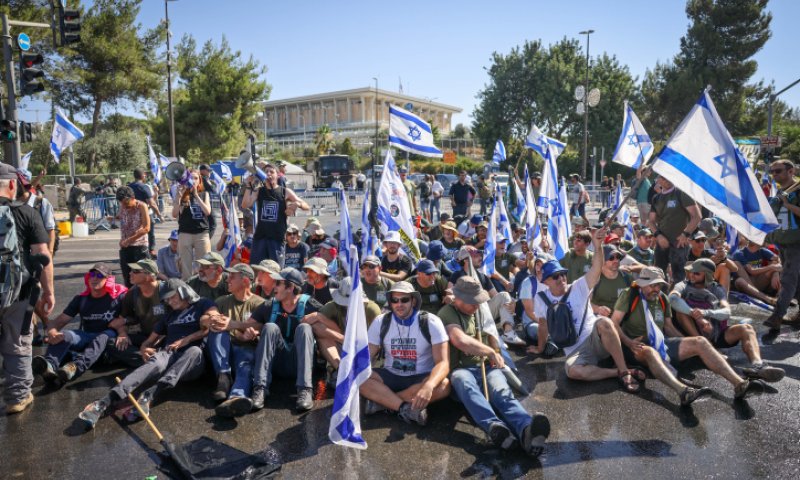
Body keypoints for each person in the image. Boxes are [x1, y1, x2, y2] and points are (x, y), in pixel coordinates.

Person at [78, 279, 216, 428]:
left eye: (172, 296)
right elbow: (148, 342)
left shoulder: (203, 304)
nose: (169, 301)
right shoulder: (169, 316)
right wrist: (145, 349)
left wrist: (188, 339)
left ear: (184, 291)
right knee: (155, 361)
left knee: (194, 350)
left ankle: (151, 393)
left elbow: (212, 321)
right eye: (167, 299)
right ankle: (104, 402)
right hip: (169, 353)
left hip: (193, 363)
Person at [440, 276, 550, 455]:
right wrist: (489, 352)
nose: (476, 305)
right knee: (462, 381)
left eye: (477, 301)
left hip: (486, 366)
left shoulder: (479, 311)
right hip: (461, 369)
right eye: (472, 302)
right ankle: (495, 427)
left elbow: (491, 334)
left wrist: (495, 352)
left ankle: (527, 431)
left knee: (502, 393)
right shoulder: (446, 313)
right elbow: (459, 339)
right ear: (458, 299)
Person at [530, 228, 641, 393]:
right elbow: (543, 326)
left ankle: (624, 371)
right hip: (575, 350)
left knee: (604, 322)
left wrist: (597, 246)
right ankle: (615, 373)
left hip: (596, 339)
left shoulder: (578, 287)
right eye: (555, 276)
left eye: (562, 274)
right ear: (546, 281)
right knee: (573, 372)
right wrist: (540, 348)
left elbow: (596, 269)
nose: (561, 279)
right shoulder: (540, 299)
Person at [670, 259, 784, 383]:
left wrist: (706, 313)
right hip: (694, 334)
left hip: (715, 333)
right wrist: (695, 314)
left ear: (707, 275)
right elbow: (673, 299)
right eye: (691, 272)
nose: (692, 275)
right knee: (680, 312)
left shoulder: (717, 289)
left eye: (696, 273)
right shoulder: (683, 285)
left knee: (746, 328)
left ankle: (758, 365)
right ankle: (705, 349)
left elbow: (726, 312)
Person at [609, 267, 711, 406]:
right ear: (642, 284)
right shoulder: (629, 295)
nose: (657, 289)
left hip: (658, 342)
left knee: (700, 341)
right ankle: (683, 391)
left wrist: (686, 342)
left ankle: (739, 382)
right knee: (651, 352)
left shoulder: (662, 298)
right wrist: (628, 342)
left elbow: (668, 327)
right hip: (633, 345)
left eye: (659, 285)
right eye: (653, 285)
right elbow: (614, 322)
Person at [0, 164, 55, 414]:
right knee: (18, 341)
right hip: (18, 291)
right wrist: (48, 291)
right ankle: (17, 397)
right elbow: (43, 255)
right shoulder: (27, 213)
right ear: (13, 184)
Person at [360, 282, 450, 425]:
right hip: (391, 374)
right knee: (359, 378)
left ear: (413, 301)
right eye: (395, 300)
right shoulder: (381, 321)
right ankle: (405, 408)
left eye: (404, 300)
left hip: (420, 377)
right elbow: (367, 355)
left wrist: (429, 385)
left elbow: (443, 363)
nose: (399, 304)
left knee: (444, 385)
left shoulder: (430, 322)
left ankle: (385, 404)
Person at [32, 264, 127, 387]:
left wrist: (123, 333)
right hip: (86, 336)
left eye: (100, 276)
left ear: (108, 279)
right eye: (92, 275)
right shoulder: (81, 299)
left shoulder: (120, 297)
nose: (94, 278)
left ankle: (74, 368)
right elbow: (59, 321)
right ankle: (49, 366)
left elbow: (129, 317)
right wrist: (52, 332)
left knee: (102, 337)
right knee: (65, 335)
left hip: (108, 338)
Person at [249, 268, 323, 411]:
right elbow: (250, 323)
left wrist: (319, 317)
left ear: (290, 287)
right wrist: (242, 330)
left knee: (304, 328)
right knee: (270, 327)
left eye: (278, 283)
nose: (274, 287)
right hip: (277, 364)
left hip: (300, 365)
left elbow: (333, 325)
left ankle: (305, 390)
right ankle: (260, 388)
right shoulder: (269, 305)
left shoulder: (311, 305)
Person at [206, 263, 266, 416]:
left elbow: (261, 325)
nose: (228, 279)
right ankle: (224, 378)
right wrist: (211, 320)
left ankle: (235, 399)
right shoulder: (222, 301)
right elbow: (204, 318)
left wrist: (249, 332)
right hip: (223, 351)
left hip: (245, 348)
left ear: (246, 281)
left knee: (244, 366)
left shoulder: (259, 303)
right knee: (217, 330)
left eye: (232, 276)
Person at [304, 277, 381, 385]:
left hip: (367, 350)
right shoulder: (332, 306)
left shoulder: (372, 310)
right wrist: (322, 318)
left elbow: (379, 339)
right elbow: (311, 324)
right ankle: (341, 370)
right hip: (343, 348)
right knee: (323, 338)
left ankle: (363, 373)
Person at [448, 246, 520, 346]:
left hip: (484, 312)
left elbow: (496, 296)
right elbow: (449, 294)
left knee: (504, 295)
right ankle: (492, 338)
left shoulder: (482, 275)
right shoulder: (456, 275)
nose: (480, 257)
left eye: (480, 255)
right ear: (466, 260)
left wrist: (512, 302)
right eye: (476, 256)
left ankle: (508, 333)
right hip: (467, 314)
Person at [242, 162, 310, 266]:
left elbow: (306, 206)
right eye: (266, 172)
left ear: (277, 175)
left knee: (276, 271)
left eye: (271, 172)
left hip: (277, 239)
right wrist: (248, 186)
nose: (268, 174)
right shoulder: (259, 191)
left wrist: (297, 204)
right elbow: (245, 205)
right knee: (257, 269)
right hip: (260, 238)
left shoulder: (285, 191)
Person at [107, 259, 168, 368]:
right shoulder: (132, 293)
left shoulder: (166, 290)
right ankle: (152, 360)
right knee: (112, 343)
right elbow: (122, 319)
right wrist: (122, 334)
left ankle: (152, 361)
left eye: (135, 271)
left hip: (165, 338)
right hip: (145, 337)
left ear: (149, 276)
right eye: (131, 270)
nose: (130, 273)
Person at [764, 159, 800, 332]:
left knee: (788, 279)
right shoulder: (779, 191)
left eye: (778, 171)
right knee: (796, 280)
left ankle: (777, 315)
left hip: (796, 243)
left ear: (791, 171)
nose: (775, 174)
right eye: (773, 171)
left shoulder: (797, 190)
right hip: (783, 242)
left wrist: (788, 204)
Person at [648, 175, 701, 284]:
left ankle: (678, 299)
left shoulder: (681, 193)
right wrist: (658, 235)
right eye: (662, 177)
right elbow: (651, 221)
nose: (666, 179)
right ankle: (662, 299)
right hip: (662, 241)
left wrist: (685, 234)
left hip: (679, 243)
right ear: (658, 180)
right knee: (659, 275)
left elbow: (697, 217)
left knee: (680, 278)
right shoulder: (656, 198)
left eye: (667, 176)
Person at [172, 169, 212, 280]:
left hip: (201, 233)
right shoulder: (181, 194)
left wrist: (196, 196)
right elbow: (174, 214)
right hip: (185, 233)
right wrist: (179, 197)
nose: (193, 181)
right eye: (191, 178)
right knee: (185, 266)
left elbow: (207, 211)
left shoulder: (204, 194)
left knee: (204, 264)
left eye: (196, 178)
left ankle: (203, 287)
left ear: (200, 181)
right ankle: (187, 288)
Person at [116, 186, 151, 287]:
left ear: (132, 198)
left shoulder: (142, 206)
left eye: (126, 203)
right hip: (125, 248)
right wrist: (114, 218)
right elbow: (121, 217)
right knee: (128, 280)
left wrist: (129, 240)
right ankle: (130, 300)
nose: (124, 205)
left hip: (139, 247)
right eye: (121, 203)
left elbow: (146, 228)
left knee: (144, 278)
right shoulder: (122, 206)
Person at [732, 240, 780, 305]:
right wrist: (771, 267)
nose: (765, 240)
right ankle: (767, 299)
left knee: (778, 267)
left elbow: (778, 260)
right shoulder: (739, 253)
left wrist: (775, 273)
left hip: (758, 282)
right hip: (746, 284)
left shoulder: (762, 250)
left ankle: (781, 296)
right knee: (739, 280)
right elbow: (752, 271)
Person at [129, 168, 162, 256]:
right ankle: (151, 250)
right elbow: (152, 203)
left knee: (135, 233)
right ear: (143, 175)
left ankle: (134, 251)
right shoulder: (144, 187)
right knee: (150, 233)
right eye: (145, 174)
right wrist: (159, 215)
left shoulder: (128, 187)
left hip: (132, 215)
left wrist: (155, 192)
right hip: (145, 214)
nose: (145, 175)